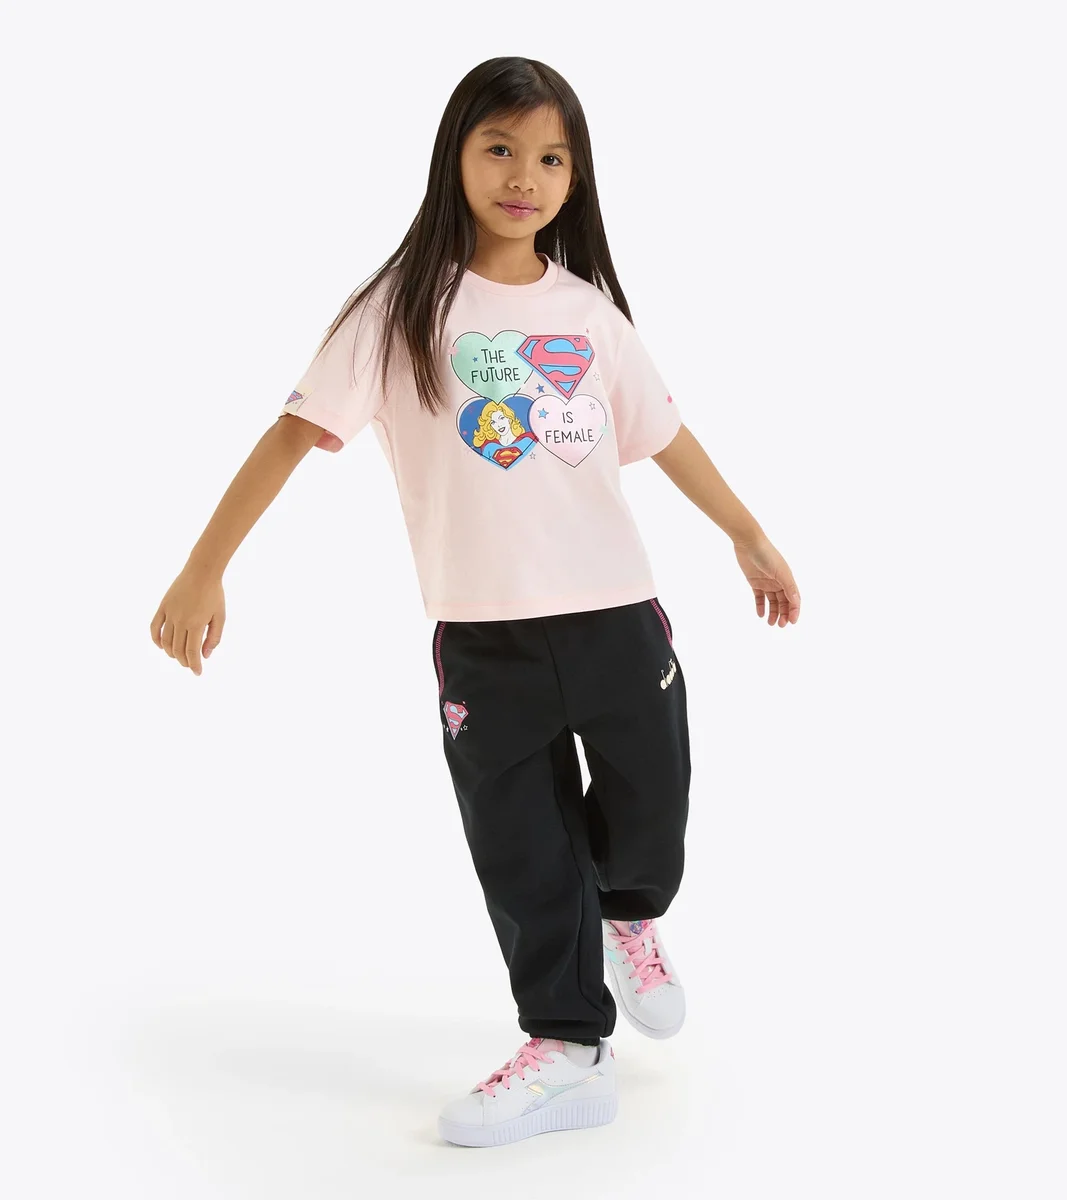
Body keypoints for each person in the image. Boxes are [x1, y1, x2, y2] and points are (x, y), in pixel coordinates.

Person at [150, 56, 801, 1148]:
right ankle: (565, 1044)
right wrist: (202, 566)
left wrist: (747, 533)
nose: (523, 176)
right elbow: (292, 435)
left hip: (614, 612)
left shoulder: (587, 312)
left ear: (575, 178)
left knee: (650, 805)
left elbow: (665, 435)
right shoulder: (401, 307)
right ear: (453, 156)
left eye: (551, 157)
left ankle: (627, 915)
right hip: (483, 635)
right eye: (499, 148)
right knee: (521, 846)